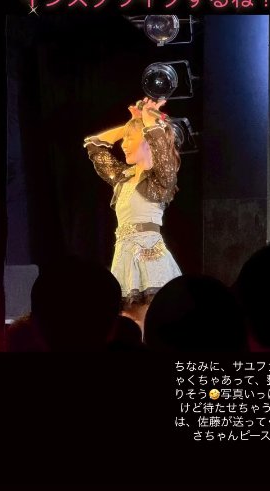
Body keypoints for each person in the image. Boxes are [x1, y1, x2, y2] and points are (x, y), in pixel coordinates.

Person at [84, 97, 182, 330]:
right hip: (124, 258)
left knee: (149, 320)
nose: (123, 144)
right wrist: (131, 125)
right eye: (124, 139)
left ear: (148, 140)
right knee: (127, 323)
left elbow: (163, 153)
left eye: (130, 139)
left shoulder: (160, 179)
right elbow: (94, 145)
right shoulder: (123, 178)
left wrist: (148, 123)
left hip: (150, 257)